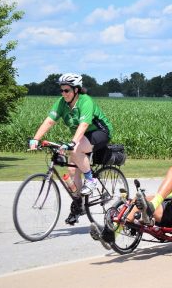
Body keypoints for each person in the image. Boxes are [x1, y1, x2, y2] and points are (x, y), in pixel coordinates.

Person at [28, 73, 113, 225]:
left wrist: (73, 143)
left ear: (76, 90)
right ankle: (79, 206)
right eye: (61, 90)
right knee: (72, 171)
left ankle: (91, 180)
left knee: (75, 150)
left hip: (99, 132)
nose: (63, 93)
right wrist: (36, 138)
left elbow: (84, 125)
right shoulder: (62, 103)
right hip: (81, 136)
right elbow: (49, 121)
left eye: (66, 90)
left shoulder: (85, 101)